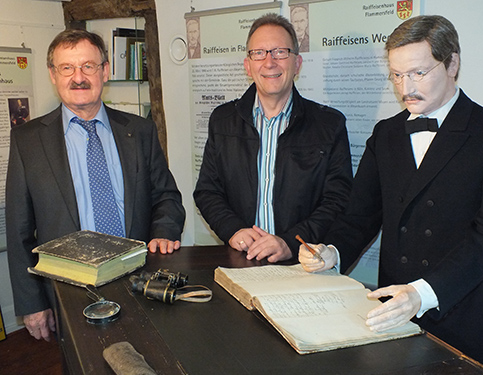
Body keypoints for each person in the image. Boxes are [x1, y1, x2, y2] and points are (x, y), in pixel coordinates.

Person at [298, 15, 483, 372]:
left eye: (418, 73)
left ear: (452, 63)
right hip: (395, 312)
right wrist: (333, 250)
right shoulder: (387, 134)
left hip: (464, 313)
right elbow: (360, 215)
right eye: (397, 75)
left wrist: (421, 293)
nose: (405, 87)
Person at [6, 29, 186, 342]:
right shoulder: (28, 141)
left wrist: (164, 231)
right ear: (53, 74)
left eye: (88, 66)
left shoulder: (139, 130)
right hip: (68, 289)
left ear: (104, 71)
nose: (79, 77)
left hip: (139, 279)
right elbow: (19, 230)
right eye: (67, 68)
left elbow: (166, 196)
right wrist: (32, 303)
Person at [194, 14, 352, 263]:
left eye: (280, 52)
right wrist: (232, 229)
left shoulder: (329, 125)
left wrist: (290, 241)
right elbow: (207, 191)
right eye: (259, 53)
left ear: (297, 63)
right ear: (248, 65)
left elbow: (337, 200)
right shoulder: (222, 120)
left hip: (303, 264)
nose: (269, 62)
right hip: (242, 260)